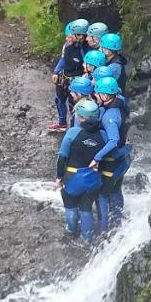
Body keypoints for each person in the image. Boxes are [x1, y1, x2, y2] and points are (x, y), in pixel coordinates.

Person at [56, 100, 106, 243]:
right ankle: (87, 239)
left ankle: (71, 232)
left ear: (81, 117)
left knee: (71, 208)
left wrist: (59, 177)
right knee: (86, 208)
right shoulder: (103, 135)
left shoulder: (72, 133)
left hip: (73, 179)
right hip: (93, 180)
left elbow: (62, 158)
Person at [92, 76, 131, 231]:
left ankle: (104, 228)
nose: (95, 95)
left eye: (98, 93)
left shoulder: (110, 116)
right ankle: (117, 220)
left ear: (106, 96)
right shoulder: (120, 101)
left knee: (102, 193)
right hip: (123, 158)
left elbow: (113, 140)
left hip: (113, 161)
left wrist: (97, 157)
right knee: (116, 190)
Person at [48, 20, 89, 132]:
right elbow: (64, 59)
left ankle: (74, 127)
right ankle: (62, 123)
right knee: (59, 100)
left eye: (71, 36)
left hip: (77, 79)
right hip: (64, 77)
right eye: (68, 36)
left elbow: (88, 66)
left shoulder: (86, 49)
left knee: (73, 104)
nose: (68, 39)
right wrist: (56, 71)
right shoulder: (68, 46)